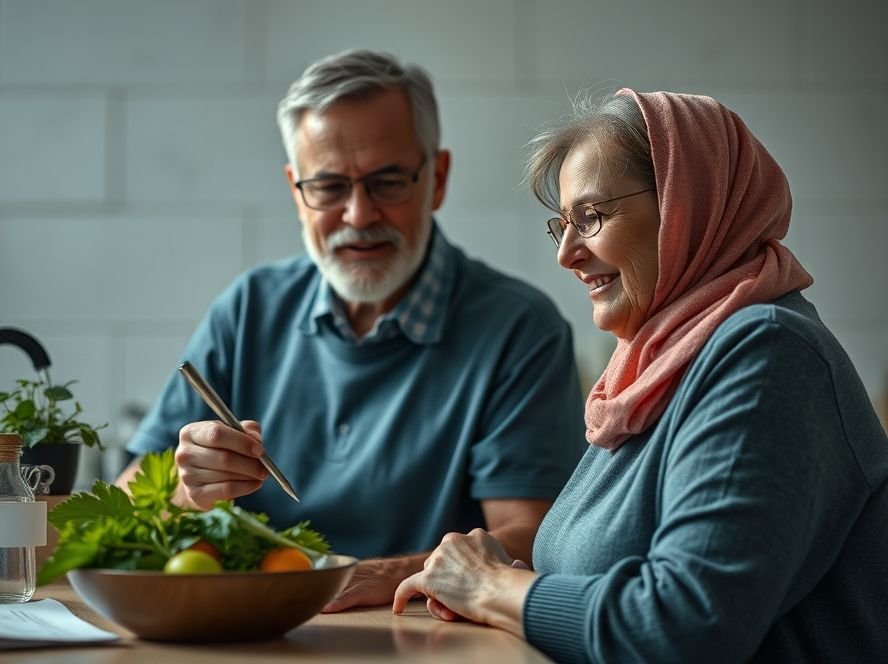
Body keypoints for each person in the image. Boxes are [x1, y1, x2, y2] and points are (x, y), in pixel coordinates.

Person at [393, 88, 888, 662]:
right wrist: (503, 580)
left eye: (591, 217)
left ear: (686, 206)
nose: (567, 254)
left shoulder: (767, 354)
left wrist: (490, 586)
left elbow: (682, 627)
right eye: (563, 225)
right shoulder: (657, 369)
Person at [116, 49, 586, 612]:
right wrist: (185, 492)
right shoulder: (247, 310)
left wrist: (375, 576)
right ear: (297, 191)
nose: (359, 215)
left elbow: (527, 541)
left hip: (422, 636)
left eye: (387, 182)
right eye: (330, 187)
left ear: (436, 179)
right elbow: (125, 508)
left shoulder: (519, 329)